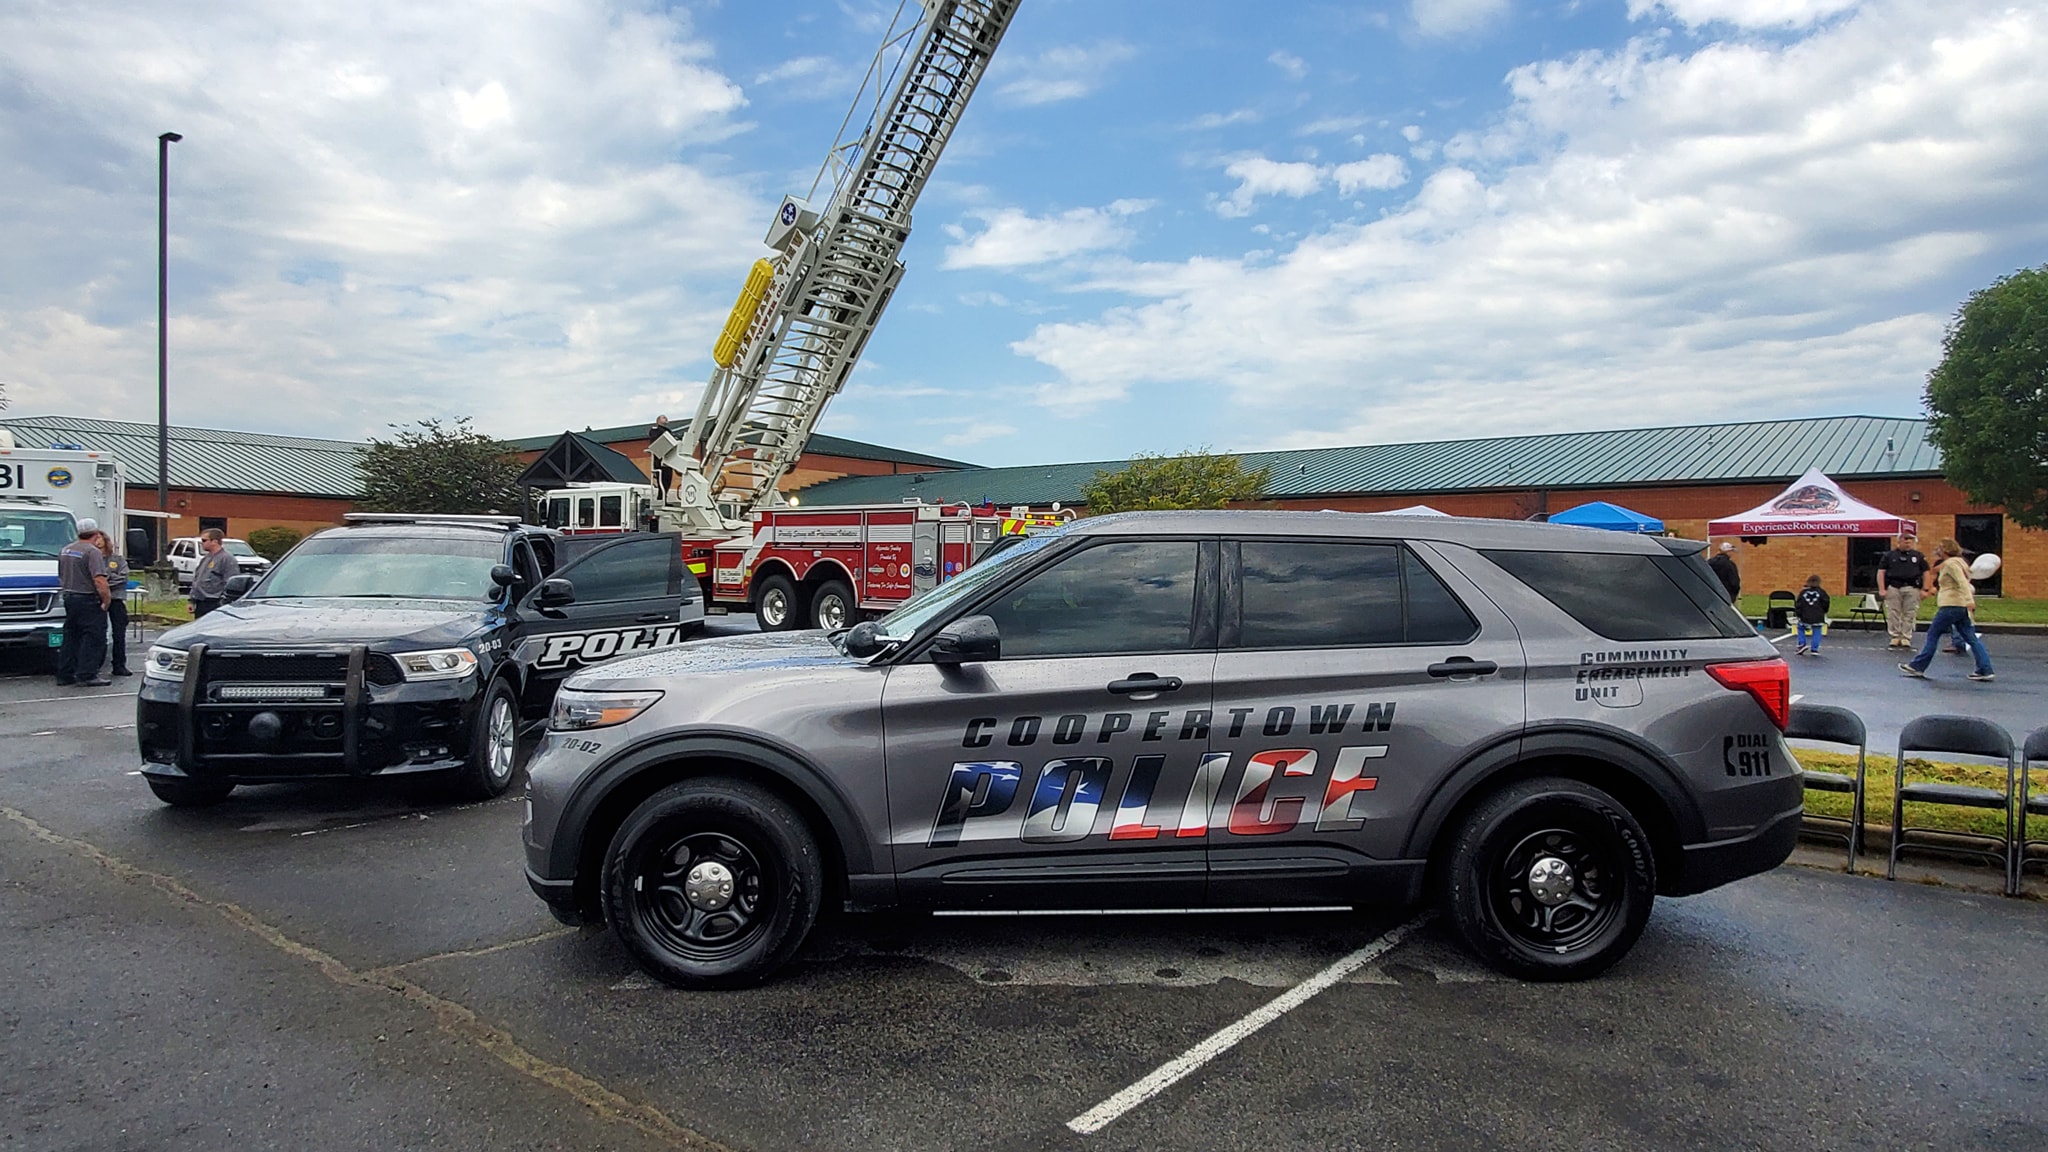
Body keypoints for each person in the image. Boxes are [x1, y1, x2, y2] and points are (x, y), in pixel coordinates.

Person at [1899, 538, 1993, 682]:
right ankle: (1985, 669)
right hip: (1960, 606)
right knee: (1971, 638)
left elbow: (1962, 583)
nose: (1937, 550)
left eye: (1940, 548)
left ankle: (1918, 666)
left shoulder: (1951, 564)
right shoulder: (1961, 562)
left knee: (1933, 634)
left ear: (1945, 550)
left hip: (1951, 605)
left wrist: (1970, 600)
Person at [54, 519, 112, 687]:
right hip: (87, 599)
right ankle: (87, 674)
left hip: (69, 597)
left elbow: (61, 575)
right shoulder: (92, 552)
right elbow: (99, 579)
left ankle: (65, 674)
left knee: (71, 636)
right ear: (96, 533)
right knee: (93, 637)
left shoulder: (66, 550)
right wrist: (106, 601)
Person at [1875, 532, 1930, 650]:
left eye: (1910, 541)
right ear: (1899, 541)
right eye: (1905, 540)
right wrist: (1882, 589)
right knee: (1893, 612)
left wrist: (1925, 589)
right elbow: (1881, 572)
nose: (1908, 543)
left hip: (1912, 587)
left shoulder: (1918, 556)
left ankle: (1906, 637)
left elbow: (1926, 572)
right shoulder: (1889, 556)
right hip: (1894, 587)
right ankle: (1895, 636)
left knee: (1910, 613)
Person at [93, 530, 134, 676]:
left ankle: (119, 664)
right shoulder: (92, 557)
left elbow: (123, 577)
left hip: (116, 598)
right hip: (97, 599)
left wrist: (106, 581)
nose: (97, 541)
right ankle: (96, 664)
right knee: (98, 632)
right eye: (95, 538)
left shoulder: (117, 559)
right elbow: (92, 579)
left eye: (100, 538)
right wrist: (102, 583)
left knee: (119, 633)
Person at [188, 528, 239, 618]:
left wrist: (223, 602)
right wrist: (192, 600)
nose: (202, 543)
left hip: (214, 603)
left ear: (214, 541)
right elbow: (197, 580)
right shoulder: (206, 558)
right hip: (201, 603)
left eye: (204, 540)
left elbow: (232, 583)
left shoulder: (226, 559)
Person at [1792, 574, 1830, 657]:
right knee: (1817, 630)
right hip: (1818, 616)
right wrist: (1824, 611)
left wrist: (1798, 614)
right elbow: (1826, 603)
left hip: (1805, 616)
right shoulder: (1822, 593)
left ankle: (1802, 644)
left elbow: (1799, 604)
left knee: (1800, 628)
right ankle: (1814, 649)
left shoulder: (1803, 593)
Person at [647, 414, 678, 499]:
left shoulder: (668, 431)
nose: (666, 418)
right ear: (658, 421)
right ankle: (661, 498)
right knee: (663, 480)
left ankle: (664, 497)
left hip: (668, 461)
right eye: (663, 417)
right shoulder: (655, 430)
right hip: (660, 460)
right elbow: (655, 442)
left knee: (667, 480)